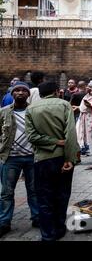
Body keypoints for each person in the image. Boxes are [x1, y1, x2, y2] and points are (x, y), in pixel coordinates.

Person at [25, 81, 79, 241]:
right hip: (62, 157)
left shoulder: (31, 109)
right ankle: (60, 228)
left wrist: (50, 141)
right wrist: (69, 158)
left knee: (44, 197)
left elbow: (32, 137)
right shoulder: (64, 105)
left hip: (42, 159)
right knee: (62, 195)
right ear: (56, 91)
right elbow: (70, 134)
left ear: (40, 94)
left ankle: (47, 234)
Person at [0, 81, 39, 238]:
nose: (20, 93)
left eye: (24, 90)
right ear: (12, 94)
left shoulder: (35, 111)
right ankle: (4, 222)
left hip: (32, 157)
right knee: (7, 193)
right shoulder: (3, 112)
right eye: (17, 90)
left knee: (34, 191)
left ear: (28, 94)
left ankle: (37, 218)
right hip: (11, 158)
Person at [76, 81, 92, 156]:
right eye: (87, 86)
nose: (87, 87)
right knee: (80, 134)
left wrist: (89, 105)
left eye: (89, 87)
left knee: (91, 136)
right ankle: (84, 149)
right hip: (83, 117)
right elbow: (83, 107)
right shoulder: (86, 96)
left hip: (90, 118)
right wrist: (78, 107)